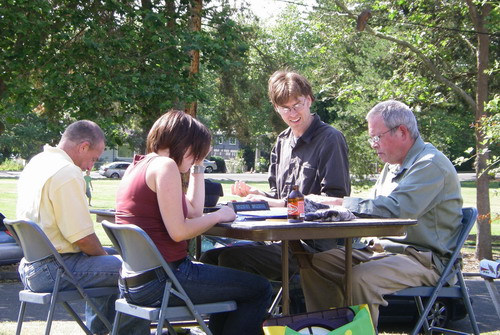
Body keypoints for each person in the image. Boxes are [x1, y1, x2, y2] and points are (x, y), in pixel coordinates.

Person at [300, 100, 463, 328]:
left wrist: (339, 202)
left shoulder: (431, 164)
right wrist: (330, 211)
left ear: (403, 132)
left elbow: (397, 210)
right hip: (381, 250)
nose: (373, 145)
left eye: (377, 137)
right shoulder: (392, 166)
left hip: (425, 259)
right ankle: (330, 330)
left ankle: (356, 332)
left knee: (361, 277)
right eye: (371, 138)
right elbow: (373, 208)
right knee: (317, 262)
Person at [115, 110, 272, 335]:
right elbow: (180, 232)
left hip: (134, 283)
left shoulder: (138, 166)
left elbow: (194, 211)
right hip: (165, 281)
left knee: (228, 282)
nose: (195, 158)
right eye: (195, 152)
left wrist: (198, 166)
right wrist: (219, 215)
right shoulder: (165, 167)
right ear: (184, 144)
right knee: (259, 288)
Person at [201, 70, 351, 281]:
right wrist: (256, 194)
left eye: (297, 104)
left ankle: (260, 312)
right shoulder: (282, 141)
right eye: (285, 108)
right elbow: (277, 197)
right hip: (278, 240)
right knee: (209, 257)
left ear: (309, 100)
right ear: (276, 108)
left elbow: (337, 205)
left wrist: (277, 203)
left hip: (313, 248)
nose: (292, 113)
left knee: (232, 259)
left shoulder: (330, 139)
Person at [16, 120, 148, 335]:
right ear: (83, 146)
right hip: (53, 269)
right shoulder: (66, 172)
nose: (90, 167)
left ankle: (100, 331)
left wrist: (105, 257)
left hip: (30, 265)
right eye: (93, 159)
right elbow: (83, 239)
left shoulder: (37, 163)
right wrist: (104, 256)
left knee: (118, 258)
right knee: (140, 269)